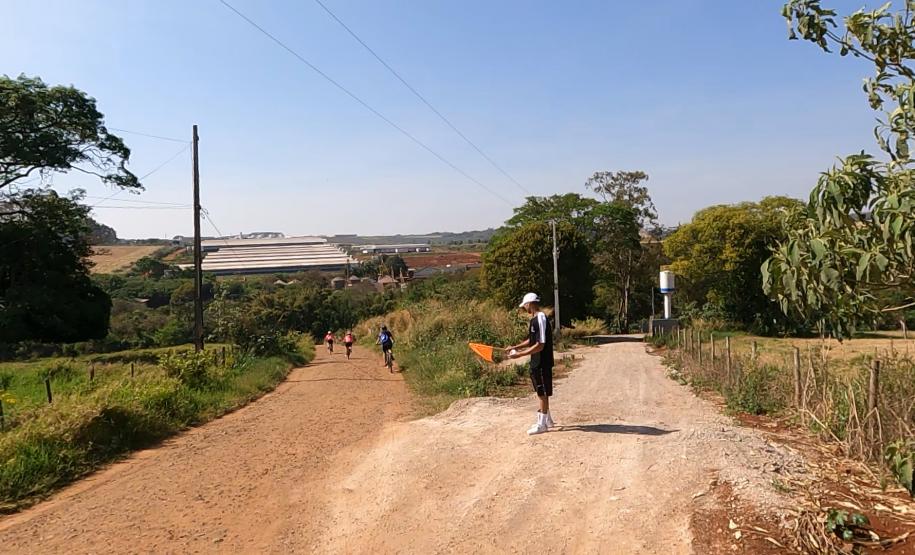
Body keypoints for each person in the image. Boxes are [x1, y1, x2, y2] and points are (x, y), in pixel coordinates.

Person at [506, 292, 555, 435]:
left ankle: (542, 425)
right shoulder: (534, 319)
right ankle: (547, 420)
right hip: (536, 361)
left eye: (525, 305)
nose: (524, 308)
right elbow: (532, 340)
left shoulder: (540, 318)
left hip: (542, 362)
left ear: (530, 304)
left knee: (542, 392)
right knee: (541, 391)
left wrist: (520, 354)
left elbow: (540, 344)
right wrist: (515, 347)